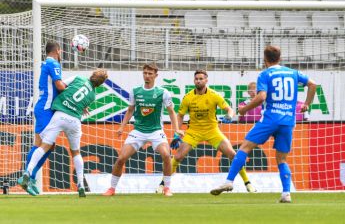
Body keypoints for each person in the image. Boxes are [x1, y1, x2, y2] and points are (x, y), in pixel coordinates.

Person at [210, 46, 316, 203]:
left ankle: (229, 181)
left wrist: (244, 109)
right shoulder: (293, 73)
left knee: (244, 148)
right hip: (288, 121)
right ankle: (286, 193)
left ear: (265, 59)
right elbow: (313, 84)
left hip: (270, 119)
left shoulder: (265, 74)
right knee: (282, 159)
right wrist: (307, 103)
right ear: (280, 58)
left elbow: (261, 97)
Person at [156, 69, 256, 193]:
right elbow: (180, 115)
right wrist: (177, 132)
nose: (198, 81)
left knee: (232, 154)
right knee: (178, 156)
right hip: (194, 131)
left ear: (206, 80)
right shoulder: (188, 97)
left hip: (212, 130)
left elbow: (229, 109)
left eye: (201, 79)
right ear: (194, 80)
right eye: (196, 79)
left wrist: (229, 116)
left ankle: (248, 183)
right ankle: (162, 184)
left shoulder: (214, 95)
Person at [18, 69, 108, 197]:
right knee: (76, 152)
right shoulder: (92, 96)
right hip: (75, 122)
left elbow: (60, 87)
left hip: (60, 115)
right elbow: (80, 100)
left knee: (43, 146)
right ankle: (81, 184)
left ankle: (28, 172)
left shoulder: (79, 77)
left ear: (92, 75)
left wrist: (67, 97)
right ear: (100, 84)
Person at [103, 63, 183, 197]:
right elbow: (130, 110)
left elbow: (171, 112)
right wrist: (122, 127)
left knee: (166, 155)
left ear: (156, 75)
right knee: (121, 158)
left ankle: (167, 188)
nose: (147, 76)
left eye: (150, 73)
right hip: (138, 131)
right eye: (145, 73)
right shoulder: (135, 91)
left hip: (156, 131)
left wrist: (176, 130)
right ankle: (111, 188)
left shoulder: (163, 93)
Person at [17, 41, 66, 196]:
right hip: (46, 109)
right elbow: (59, 86)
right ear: (57, 51)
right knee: (46, 145)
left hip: (43, 108)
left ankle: (28, 177)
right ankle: (28, 175)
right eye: (61, 51)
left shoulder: (47, 63)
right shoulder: (53, 63)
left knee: (40, 144)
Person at [239, 82, 309, 122]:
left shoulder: (301, 105)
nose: (254, 93)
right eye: (251, 91)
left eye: (256, 90)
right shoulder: (243, 104)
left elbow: (307, 120)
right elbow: (239, 119)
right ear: (248, 92)